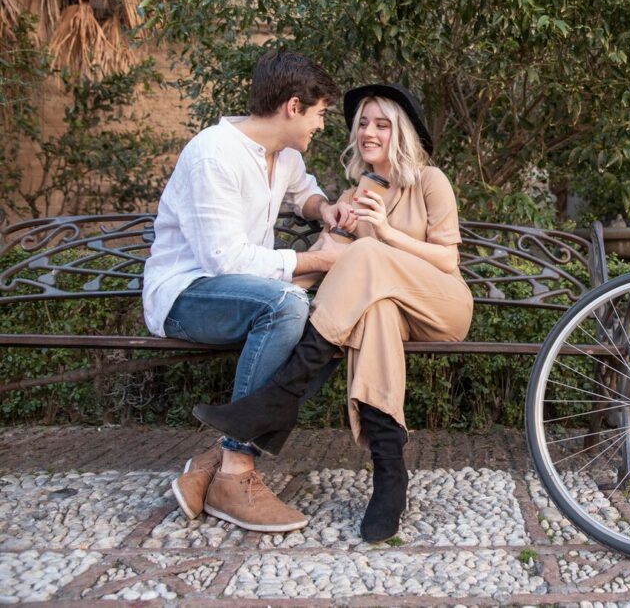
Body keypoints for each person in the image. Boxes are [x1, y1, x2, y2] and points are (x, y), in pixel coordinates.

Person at [191, 83, 474, 542]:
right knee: (374, 310)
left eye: (381, 123)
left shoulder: (429, 181)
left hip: (442, 304)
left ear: (399, 133)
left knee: (365, 255)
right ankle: (389, 473)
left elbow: (447, 260)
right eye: (363, 122)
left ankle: (281, 394)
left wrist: (382, 231)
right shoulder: (355, 193)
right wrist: (264, 298)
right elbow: (323, 260)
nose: (368, 131)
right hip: (391, 313)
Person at [143, 50, 351, 533]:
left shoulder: (285, 157)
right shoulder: (213, 153)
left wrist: (325, 211)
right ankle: (237, 470)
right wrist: (319, 260)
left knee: (328, 333)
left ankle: (213, 463)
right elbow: (225, 261)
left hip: (245, 296)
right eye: (320, 114)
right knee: (287, 304)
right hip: (186, 296)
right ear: (293, 107)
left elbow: (305, 193)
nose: (321, 125)